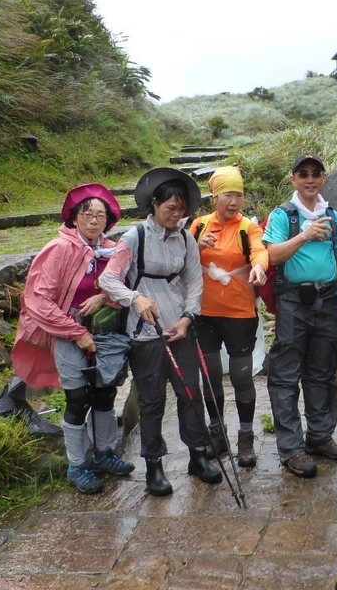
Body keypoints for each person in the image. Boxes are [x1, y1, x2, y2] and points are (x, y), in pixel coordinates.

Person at [99, 167, 222, 497]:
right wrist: (135, 298)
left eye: (182, 209)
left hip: (179, 327)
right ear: (154, 204)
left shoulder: (185, 238)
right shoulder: (134, 238)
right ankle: (154, 464)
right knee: (152, 401)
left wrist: (188, 317)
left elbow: (195, 280)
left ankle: (197, 456)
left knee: (189, 393)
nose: (177, 215)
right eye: (171, 208)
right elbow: (108, 279)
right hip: (145, 332)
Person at [10, 184, 135, 495]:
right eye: (88, 214)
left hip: (107, 333)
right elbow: (40, 299)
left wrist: (105, 297)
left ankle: (105, 453)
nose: (94, 221)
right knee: (78, 399)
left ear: (109, 220)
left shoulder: (111, 250)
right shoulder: (59, 249)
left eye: (100, 215)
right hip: (68, 332)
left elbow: (125, 287)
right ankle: (77, 464)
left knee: (105, 395)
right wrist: (77, 333)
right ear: (75, 218)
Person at [262, 153, 337, 478]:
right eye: (302, 173)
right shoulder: (282, 216)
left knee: (323, 370)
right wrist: (304, 234)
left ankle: (320, 436)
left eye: (316, 173)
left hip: (329, 299)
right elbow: (272, 256)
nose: (310, 178)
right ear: (293, 179)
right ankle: (291, 449)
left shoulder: (335, 217)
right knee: (286, 374)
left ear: (324, 177)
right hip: (293, 301)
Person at [189, 166, 269, 467]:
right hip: (204, 313)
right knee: (209, 376)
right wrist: (196, 247)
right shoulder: (198, 226)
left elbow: (260, 251)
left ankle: (245, 437)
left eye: (238, 195)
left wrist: (260, 266)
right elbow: (179, 259)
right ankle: (217, 431)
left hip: (239, 313)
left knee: (240, 376)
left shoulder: (248, 228)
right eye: (228, 195)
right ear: (214, 197)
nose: (234, 201)